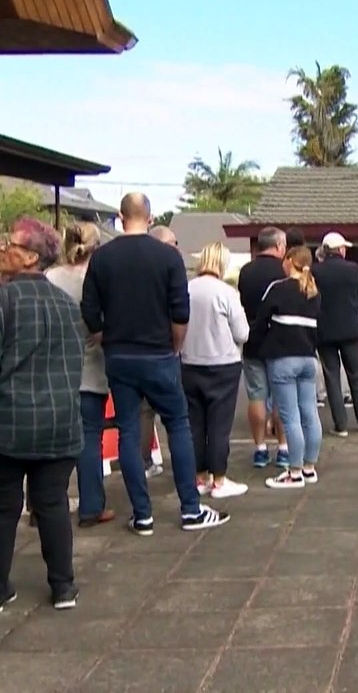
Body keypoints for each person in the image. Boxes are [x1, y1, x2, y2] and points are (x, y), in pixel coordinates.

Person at [81, 192, 227, 534]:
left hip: (119, 356)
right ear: (149, 218)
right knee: (177, 424)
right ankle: (190, 509)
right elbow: (180, 309)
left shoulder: (102, 258)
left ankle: (143, 515)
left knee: (129, 431)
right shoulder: (167, 257)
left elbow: (90, 309)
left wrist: (106, 337)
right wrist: (175, 344)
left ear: (119, 217)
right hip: (159, 353)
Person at [0, 217, 86, 611]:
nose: (4, 248)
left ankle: (1, 588)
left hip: (11, 422)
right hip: (60, 421)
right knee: (52, 504)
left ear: (31, 256)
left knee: (4, 506)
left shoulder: (5, 300)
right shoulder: (67, 306)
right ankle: (63, 586)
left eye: (10, 243)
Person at [45, 223, 117, 528]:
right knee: (90, 439)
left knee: (52, 443)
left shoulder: (50, 279)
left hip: (53, 370)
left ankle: (44, 506)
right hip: (90, 367)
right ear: (96, 246)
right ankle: (91, 507)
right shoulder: (100, 280)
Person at [182, 242, 250, 499]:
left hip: (189, 363)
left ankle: (199, 477)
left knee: (195, 425)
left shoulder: (185, 289)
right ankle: (219, 480)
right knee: (219, 426)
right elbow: (242, 333)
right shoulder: (227, 293)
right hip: (223, 365)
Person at [257, 247, 325, 489]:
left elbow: (260, 321)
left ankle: (294, 472)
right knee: (310, 413)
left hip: (283, 359)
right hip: (308, 358)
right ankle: (309, 467)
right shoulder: (314, 291)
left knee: (290, 416)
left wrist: (257, 347)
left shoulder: (278, 288)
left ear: (289, 262)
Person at [312, 232, 358, 435]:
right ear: (340, 249)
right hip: (350, 329)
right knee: (356, 376)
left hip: (324, 330)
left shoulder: (315, 271)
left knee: (331, 377)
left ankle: (340, 425)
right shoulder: (353, 269)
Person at [237, 227, 290, 468]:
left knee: (256, 395)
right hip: (279, 339)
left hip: (252, 338)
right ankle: (283, 448)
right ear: (279, 246)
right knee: (281, 396)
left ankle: (259, 449)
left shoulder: (246, 271)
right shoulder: (284, 270)